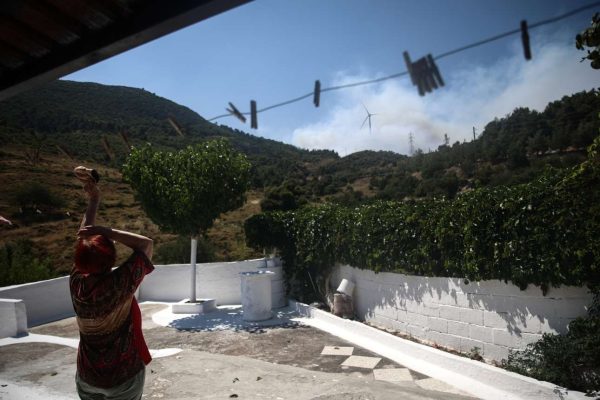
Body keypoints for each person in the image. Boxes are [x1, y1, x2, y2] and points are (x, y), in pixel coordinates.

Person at [69, 166, 154, 400]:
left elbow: (83, 238)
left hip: (87, 377)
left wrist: (93, 200)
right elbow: (146, 244)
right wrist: (105, 231)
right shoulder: (120, 284)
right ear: (111, 258)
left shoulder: (76, 284)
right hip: (123, 377)